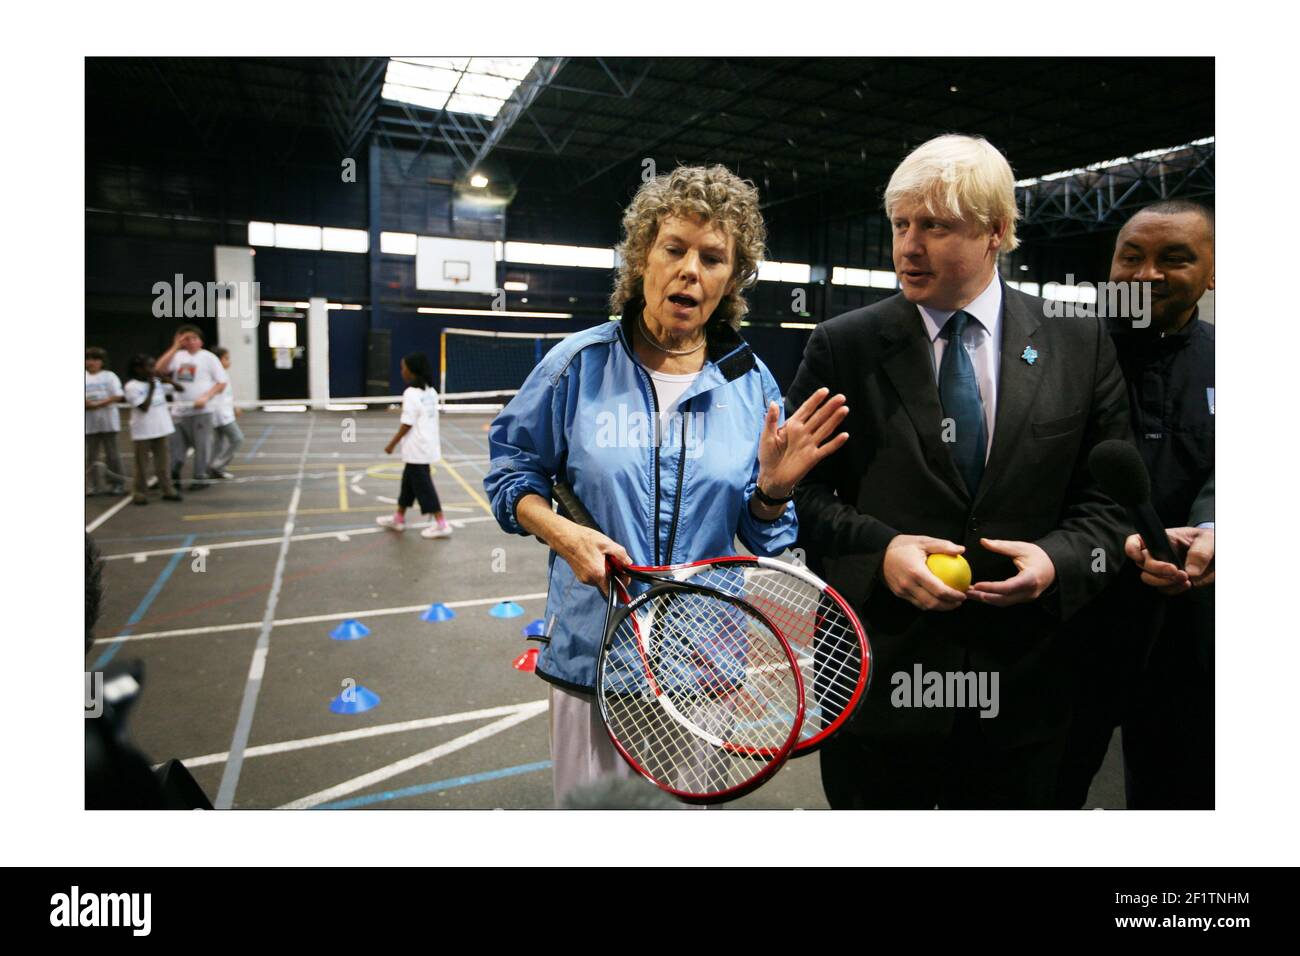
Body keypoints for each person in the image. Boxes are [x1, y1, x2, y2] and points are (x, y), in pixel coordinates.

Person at [785, 134, 1133, 809]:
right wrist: (881, 550)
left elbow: (1112, 498)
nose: (907, 247)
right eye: (900, 224)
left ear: (997, 231)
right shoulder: (843, 346)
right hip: (877, 687)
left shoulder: (1079, 341)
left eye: (935, 226)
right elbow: (801, 494)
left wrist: (1059, 560)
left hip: (1027, 692)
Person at [484, 164, 848, 806]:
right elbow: (512, 472)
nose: (690, 270)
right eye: (674, 249)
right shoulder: (576, 367)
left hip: (704, 668)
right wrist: (563, 533)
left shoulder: (751, 385)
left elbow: (762, 535)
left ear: (730, 281)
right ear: (642, 258)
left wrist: (773, 491)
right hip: (593, 659)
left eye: (713, 258)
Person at [1057, 200, 1215, 809]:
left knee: (1180, 796)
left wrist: (1212, 529)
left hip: (1189, 627)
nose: (1146, 275)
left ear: (1213, 271)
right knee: (1047, 792)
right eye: (1131, 256)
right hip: (1074, 617)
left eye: (1174, 259)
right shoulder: (1063, 355)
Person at [378, 352, 452, 539]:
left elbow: (407, 423)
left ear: (412, 371)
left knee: (423, 486)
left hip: (417, 448)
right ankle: (399, 517)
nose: (402, 371)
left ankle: (441, 523)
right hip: (426, 446)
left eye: (404, 367)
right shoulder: (431, 391)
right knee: (408, 483)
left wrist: (391, 444)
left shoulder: (410, 394)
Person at [153, 324, 227, 491]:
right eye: (186, 338)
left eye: (194, 338)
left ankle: (201, 476)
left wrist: (206, 397)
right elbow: (159, 369)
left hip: (202, 411)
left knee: (202, 445)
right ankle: (174, 474)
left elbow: (221, 382)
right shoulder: (177, 356)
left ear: (200, 341)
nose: (191, 342)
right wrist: (174, 347)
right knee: (176, 446)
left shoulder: (208, 358)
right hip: (179, 410)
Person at [123, 355, 181, 505]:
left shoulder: (156, 381)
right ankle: (139, 491)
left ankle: (167, 489)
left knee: (163, 463)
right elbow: (143, 407)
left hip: (161, 427)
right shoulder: (131, 386)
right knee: (141, 464)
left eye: (154, 366)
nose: (153, 370)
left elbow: (180, 389)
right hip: (143, 430)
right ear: (138, 369)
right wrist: (151, 389)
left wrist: (167, 380)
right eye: (149, 367)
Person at [85, 347, 126, 496]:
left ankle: (117, 483)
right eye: (88, 359)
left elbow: (117, 395)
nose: (91, 362)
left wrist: (99, 404)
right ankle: (94, 485)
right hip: (89, 424)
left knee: (113, 455)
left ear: (102, 362)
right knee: (91, 456)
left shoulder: (109, 376)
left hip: (108, 422)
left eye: (95, 359)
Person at [207, 346, 243, 480]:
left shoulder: (224, 375)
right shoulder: (214, 377)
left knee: (219, 443)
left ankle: (216, 469)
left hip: (226, 412)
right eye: (226, 358)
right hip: (220, 414)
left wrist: (234, 407)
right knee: (237, 439)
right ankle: (216, 465)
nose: (229, 361)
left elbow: (227, 396)